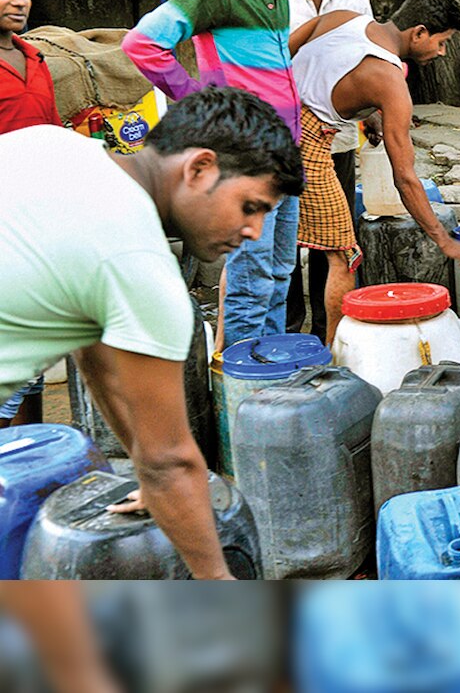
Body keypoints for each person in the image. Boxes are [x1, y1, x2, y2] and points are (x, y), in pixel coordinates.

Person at [0, 87, 303, 579]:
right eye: (251, 205)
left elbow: (93, 356)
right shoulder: (140, 263)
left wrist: (151, 473)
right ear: (199, 168)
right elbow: (170, 462)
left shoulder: (57, 147)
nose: (254, 229)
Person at [123, 0, 299, 351]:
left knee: (280, 273)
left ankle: (272, 377)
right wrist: (201, 101)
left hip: (281, 152)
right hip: (242, 159)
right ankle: (241, 383)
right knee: (251, 282)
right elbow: (142, 43)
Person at [288, 0, 460, 343]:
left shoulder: (342, 18)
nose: (441, 52)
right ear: (419, 32)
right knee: (344, 256)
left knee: (266, 244)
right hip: (306, 145)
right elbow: (405, 178)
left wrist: (366, 112)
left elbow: (289, 55)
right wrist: (444, 241)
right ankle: (334, 355)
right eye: (442, 42)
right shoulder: (391, 81)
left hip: (267, 121)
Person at [276, 0, 374, 342]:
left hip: (335, 133)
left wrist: (372, 109)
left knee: (333, 237)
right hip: (279, 133)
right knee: (283, 237)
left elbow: (364, 55)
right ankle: (289, 330)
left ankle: (324, 335)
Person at [0, 0, 59, 428]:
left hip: (40, 225)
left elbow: (53, 137)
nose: (19, 0)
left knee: (37, 357)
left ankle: (33, 459)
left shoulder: (34, 58)